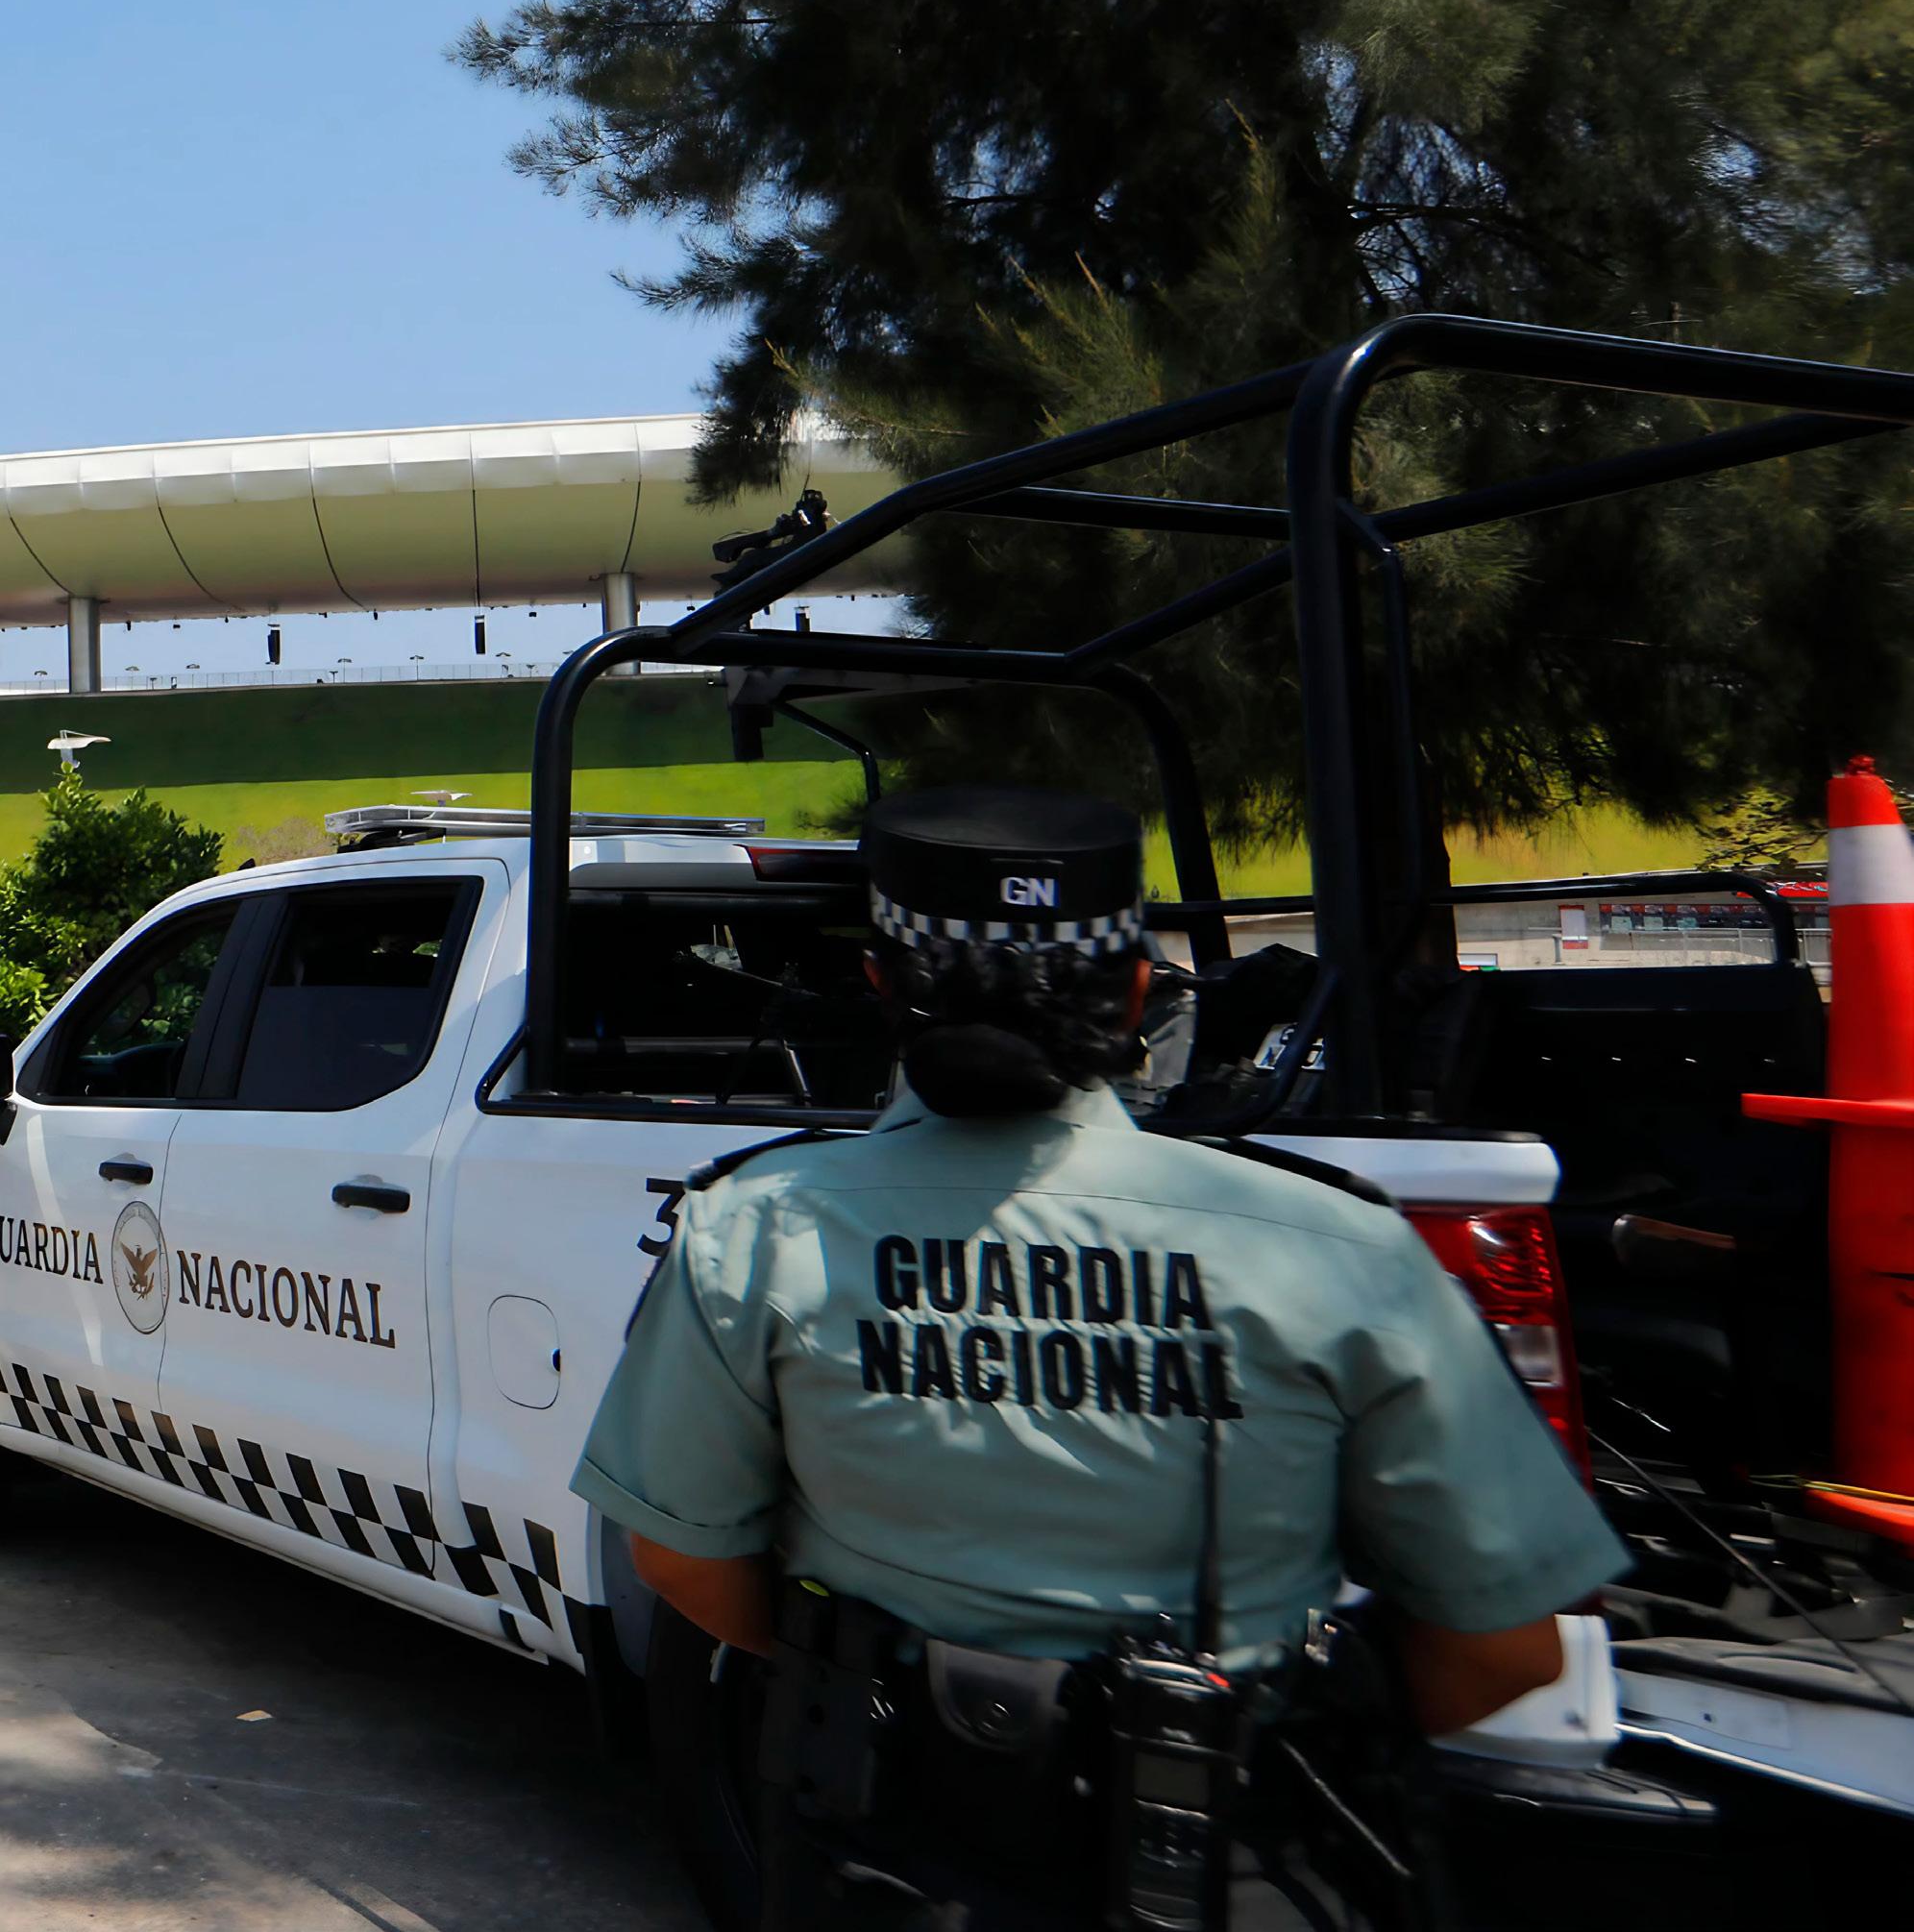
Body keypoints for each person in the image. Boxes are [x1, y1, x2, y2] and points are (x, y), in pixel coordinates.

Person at [573, 788, 1626, 1926]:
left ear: (879, 982)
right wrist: (1295, 1733)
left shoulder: (752, 1229)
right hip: (1236, 1860)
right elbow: (1509, 1646)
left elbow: (682, 1560)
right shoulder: (1341, 1246)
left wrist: (850, 1670)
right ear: (1134, 992)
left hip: (886, 1854)